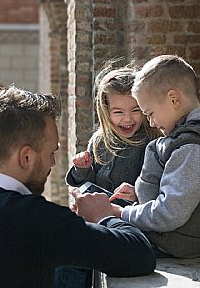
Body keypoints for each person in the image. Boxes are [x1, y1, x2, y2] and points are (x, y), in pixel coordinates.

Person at [0, 86, 156, 288]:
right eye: (51, 152)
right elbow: (139, 255)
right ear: (26, 157)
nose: (53, 162)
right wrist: (105, 216)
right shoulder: (35, 218)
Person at [110, 55, 200, 258]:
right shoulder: (192, 138)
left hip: (172, 244)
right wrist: (138, 194)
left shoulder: (194, 148)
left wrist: (120, 213)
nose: (152, 123)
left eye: (150, 113)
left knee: (87, 240)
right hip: (169, 238)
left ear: (174, 100)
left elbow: (169, 214)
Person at [55, 64, 161, 288]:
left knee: (75, 252)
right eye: (118, 112)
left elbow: (161, 188)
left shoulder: (152, 142)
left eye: (135, 110)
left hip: (132, 225)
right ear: (105, 111)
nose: (128, 119)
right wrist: (82, 169)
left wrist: (137, 192)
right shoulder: (99, 141)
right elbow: (90, 183)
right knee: (63, 247)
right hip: (101, 222)